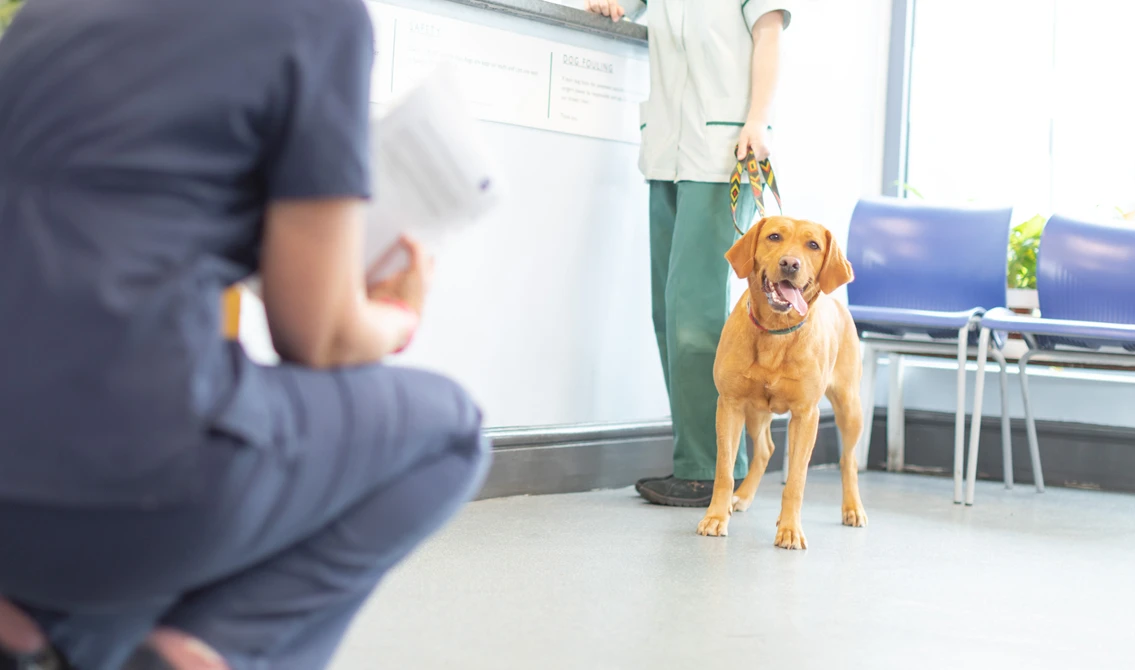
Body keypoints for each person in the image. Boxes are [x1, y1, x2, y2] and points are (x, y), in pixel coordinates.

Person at [0, 0, 490, 668]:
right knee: (452, 432)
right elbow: (317, 338)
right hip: (134, 476)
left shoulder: (46, 15)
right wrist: (398, 314)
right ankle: (204, 651)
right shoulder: (318, 19)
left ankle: (33, 634)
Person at [585, 0, 791, 507]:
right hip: (667, 155)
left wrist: (759, 123)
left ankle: (711, 468)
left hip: (722, 157)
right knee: (667, 311)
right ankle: (700, 461)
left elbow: (769, 36)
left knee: (693, 315)